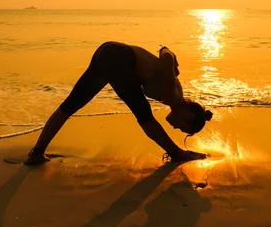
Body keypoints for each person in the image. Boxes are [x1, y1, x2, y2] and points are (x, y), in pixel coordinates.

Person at [24, 41, 213, 165]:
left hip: (109, 51)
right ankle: (177, 154)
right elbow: (167, 55)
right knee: (144, 117)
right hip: (120, 59)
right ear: (188, 116)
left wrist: (168, 56)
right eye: (182, 128)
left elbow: (165, 53)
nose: (176, 128)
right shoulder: (172, 95)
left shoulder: (173, 93)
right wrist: (170, 57)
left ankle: (37, 152)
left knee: (70, 105)